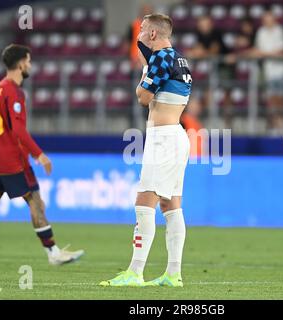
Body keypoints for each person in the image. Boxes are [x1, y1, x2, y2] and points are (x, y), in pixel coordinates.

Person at [0, 44, 84, 266]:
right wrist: (39, 154)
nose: (30, 65)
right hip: (14, 161)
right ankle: (53, 253)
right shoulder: (14, 92)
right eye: (29, 61)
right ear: (22, 63)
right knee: (35, 201)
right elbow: (18, 130)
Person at [99, 13, 191, 287]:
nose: (137, 35)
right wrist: (144, 61)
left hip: (163, 137)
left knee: (144, 202)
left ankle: (135, 272)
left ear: (152, 34)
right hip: (176, 135)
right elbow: (151, 69)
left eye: (142, 30)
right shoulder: (178, 58)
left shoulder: (162, 58)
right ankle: (173, 274)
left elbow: (143, 97)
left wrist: (143, 76)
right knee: (171, 204)